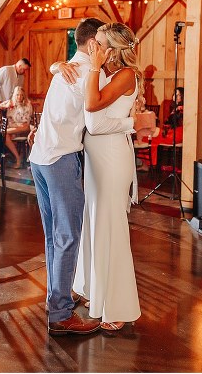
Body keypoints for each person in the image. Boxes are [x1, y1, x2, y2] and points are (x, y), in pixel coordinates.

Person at [29, 17, 133, 336]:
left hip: (39, 158)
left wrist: (55, 66)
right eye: (101, 42)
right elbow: (96, 121)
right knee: (68, 236)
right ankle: (61, 313)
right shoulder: (89, 72)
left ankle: (57, 299)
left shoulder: (67, 69)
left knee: (54, 237)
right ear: (92, 44)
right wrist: (130, 123)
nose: (104, 48)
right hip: (60, 159)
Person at [72, 21, 143, 332]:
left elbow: (92, 110)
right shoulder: (104, 72)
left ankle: (118, 305)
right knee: (93, 223)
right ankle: (91, 289)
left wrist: (93, 69)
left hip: (112, 158)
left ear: (113, 48)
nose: (93, 47)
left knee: (110, 227)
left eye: (99, 43)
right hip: (96, 159)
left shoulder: (125, 75)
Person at [0, 86, 33, 168]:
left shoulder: (27, 104)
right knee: (5, 135)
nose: (19, 97)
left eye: (21, 95)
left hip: (24, 128)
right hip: (12, 128)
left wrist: (14, 124)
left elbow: (25, 122)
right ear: (14, 95)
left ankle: (15, 158)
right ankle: (17, 158)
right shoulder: (10, 103)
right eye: (17, 95)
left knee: (4, 132)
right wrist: (5, 107)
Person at [148, 87, 184, 166]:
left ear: (182, 97)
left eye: (178, 95)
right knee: (152, 138)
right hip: (171, 132)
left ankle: (151, 163)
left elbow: (172, 123)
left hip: (177, 133)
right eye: (174, 94)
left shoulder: (181, 109)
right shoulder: (175, 108)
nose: (175, 96)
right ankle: (152, 163)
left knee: (150, 135)